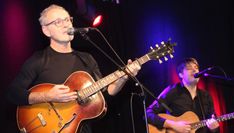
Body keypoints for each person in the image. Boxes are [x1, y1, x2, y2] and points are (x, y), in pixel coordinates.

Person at [6, 4, 141, 133]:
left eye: (67, 19)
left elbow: (104, 94)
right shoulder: (38, 60)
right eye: (58, 22)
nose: (66, 24)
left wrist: (123, 78)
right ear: (46, 30)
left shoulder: (87, 58)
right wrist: (47, 95)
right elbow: (13, 93)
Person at [146, 58, 219, 133]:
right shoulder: (172, 91)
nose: (194, 70)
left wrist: (214, 128)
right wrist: (172, 125)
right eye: (189, 68)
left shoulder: (206, 96)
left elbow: (213, 125)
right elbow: (148, 113)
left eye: (196, 68)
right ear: (181, 74)